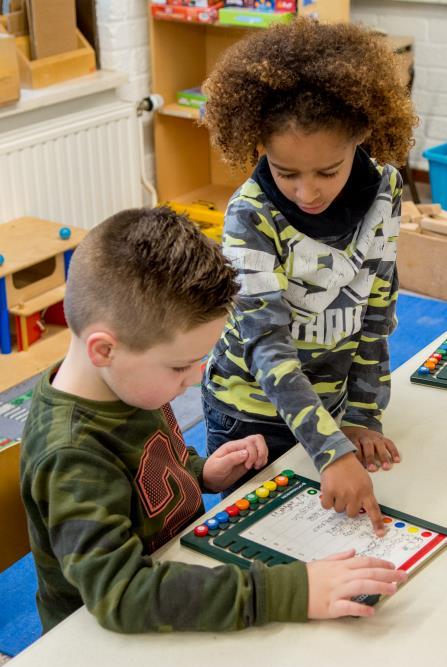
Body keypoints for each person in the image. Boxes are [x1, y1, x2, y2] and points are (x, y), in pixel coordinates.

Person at [21, 206, 406, 635]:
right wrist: (288, 592)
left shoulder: (125, 380)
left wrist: (201, 472)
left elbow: (145, 465)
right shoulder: (71, 455)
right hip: (99, 638)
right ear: (104, 350)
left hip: (178, 568)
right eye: (180, 367)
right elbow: (122, 594)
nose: (193, 381)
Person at [202, 19, 418, 534]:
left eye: (328, 170)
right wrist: (331, 449)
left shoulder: (385, 190)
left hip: (335, 403)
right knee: (259, 545)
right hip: (249, 413)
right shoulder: (249, 217)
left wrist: (363, 414)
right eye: (285, 172)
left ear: (362, 136)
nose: (307, 193)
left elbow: (377, 309)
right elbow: (267, 347)